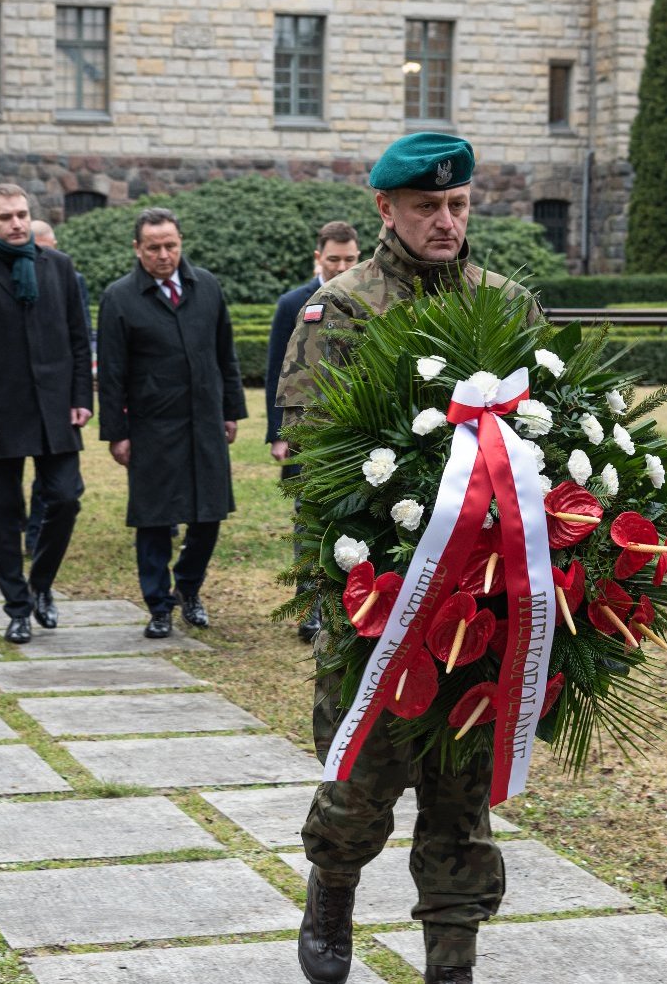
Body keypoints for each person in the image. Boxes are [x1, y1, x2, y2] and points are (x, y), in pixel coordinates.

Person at [277, 133, 539, 984]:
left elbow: (549, 431)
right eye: (427, 206)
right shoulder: (343, 308)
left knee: (461, 798)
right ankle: (334, 882)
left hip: (484, 600)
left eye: (458, 204)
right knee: (363, 781)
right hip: (379, 596)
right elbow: (316, 460)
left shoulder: (506, 302)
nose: (446, 220)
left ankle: (451, 965)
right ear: (386, 208)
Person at [0, 183, 91, 645]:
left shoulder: (59, 267)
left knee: (65, 497)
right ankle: (16, 606)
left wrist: (81, 396)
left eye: (22, 215)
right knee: (4, 514)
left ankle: (41, 584)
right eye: (6, 217)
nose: (17, 224)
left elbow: (77, 336)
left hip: (55, 409)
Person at [97, 208, 246, 639]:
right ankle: (158, 605)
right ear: (137, 249)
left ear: (181, 243)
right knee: (155, 518)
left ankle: (189, 588)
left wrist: (230, 411)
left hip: (204, 421)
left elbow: (226, 355)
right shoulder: (120, 297)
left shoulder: (207, 286)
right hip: (151, 427)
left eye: (171, 246)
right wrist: (117, 434)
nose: (164, 255)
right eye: (153, 248)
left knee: (209, 514)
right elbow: (110, 374)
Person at [269, 220, 360, 641]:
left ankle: (346, 603)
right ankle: (310, 607)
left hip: (355, 427)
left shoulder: (366, 295)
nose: (342, 265)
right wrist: (278, 432)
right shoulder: (293, 303)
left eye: (350, 259)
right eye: (334, 259)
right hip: (308, 429)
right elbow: (277, 369)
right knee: (310, 519)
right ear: (317, 258)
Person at [22, 218, 91, 555]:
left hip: (58, 394)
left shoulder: (69, 277)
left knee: (59, 485)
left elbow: (81, 334)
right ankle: (30, 534)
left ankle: (39, 537)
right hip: (21, 392)